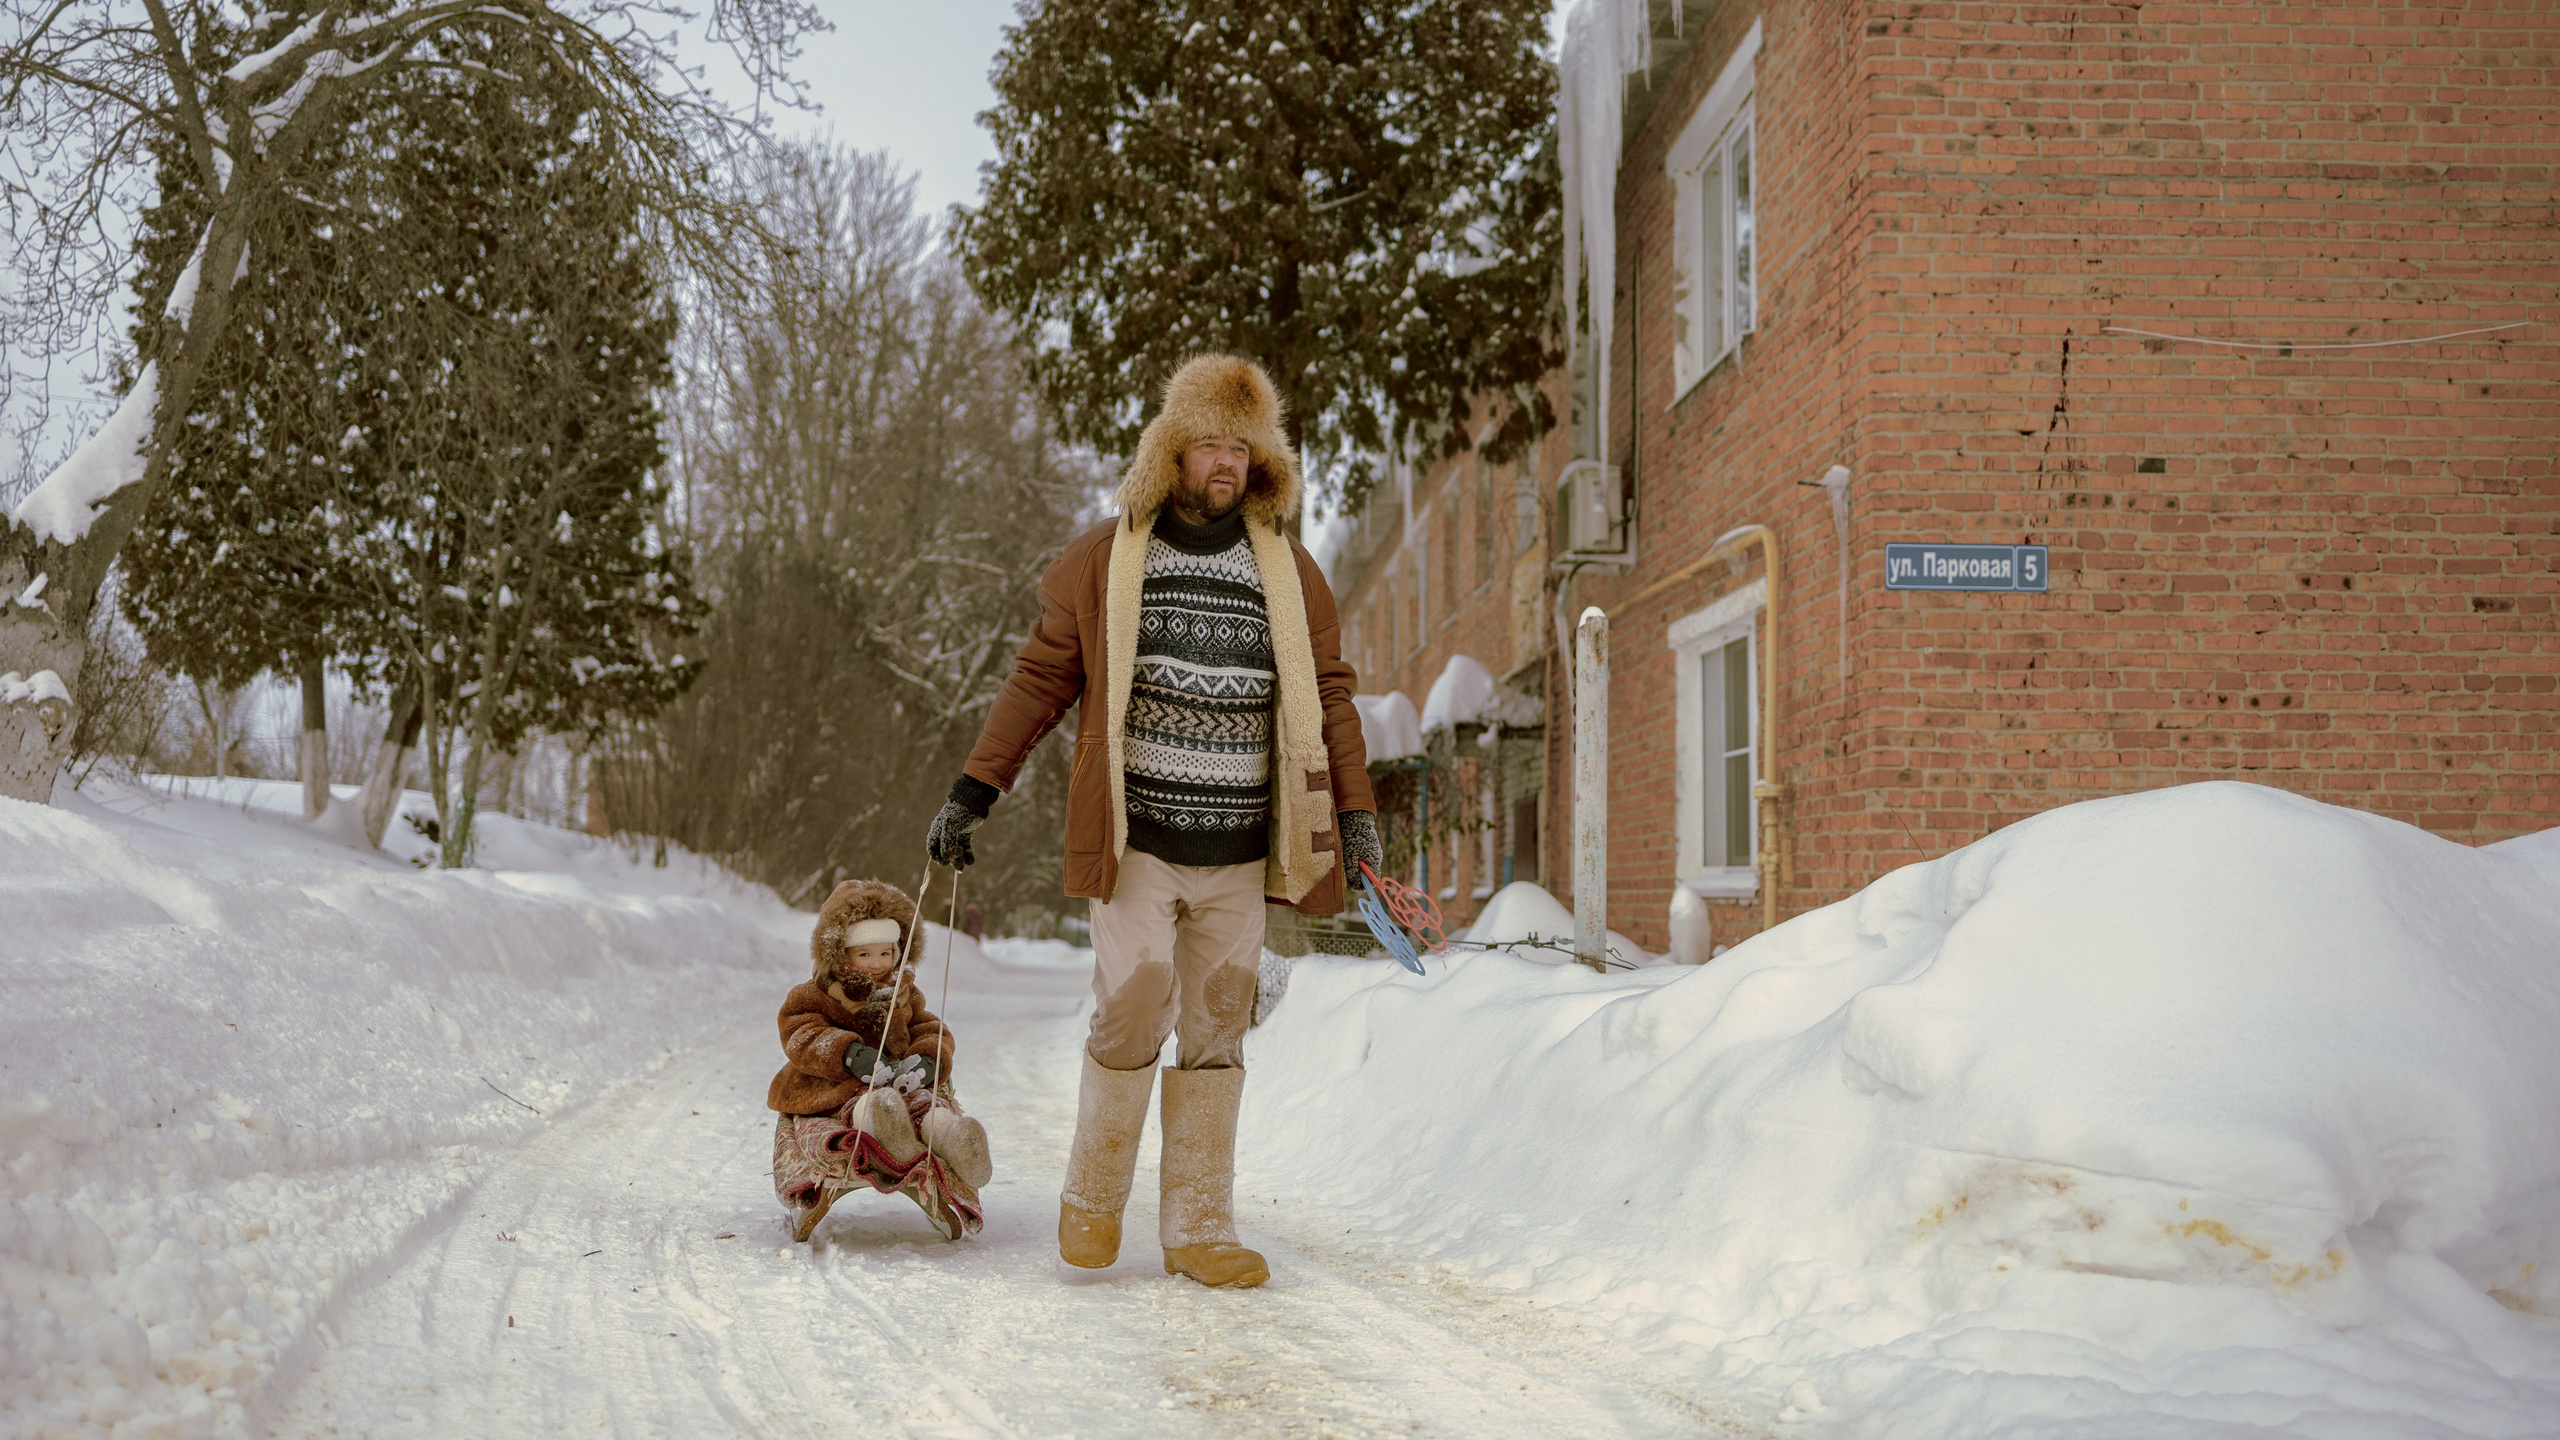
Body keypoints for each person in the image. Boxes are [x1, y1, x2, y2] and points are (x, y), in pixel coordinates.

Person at [925, 353, 1383, 1289]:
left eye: (1243, 450)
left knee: (1218, 1026)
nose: (1226, 463)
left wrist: (1357, 815)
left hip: (1240, 849)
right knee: (1133, 999)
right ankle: (1093, 1201)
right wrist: (974, 790)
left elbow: (1329, 698)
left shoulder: (1290, 574)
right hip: (1139, 843)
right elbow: (1040, 681)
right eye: (1210, 443)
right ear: (1174, 449)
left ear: (1263, 464)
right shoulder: (1107, 555)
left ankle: (1199, 1229)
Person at [769, 878, 994, 1243]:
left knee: (924, 1103)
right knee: (863, 1103)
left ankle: (953, 1137)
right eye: (865, 954)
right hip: (841, 1087)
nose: (877, 964)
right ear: (841, 953)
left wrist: (927, 1060)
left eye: (886, 953)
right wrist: (850, 1053)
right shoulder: (816, 994)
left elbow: (929, 1027)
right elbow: (801, 1033)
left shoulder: (903, 992)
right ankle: (880, 1120)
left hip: (902, 1081)